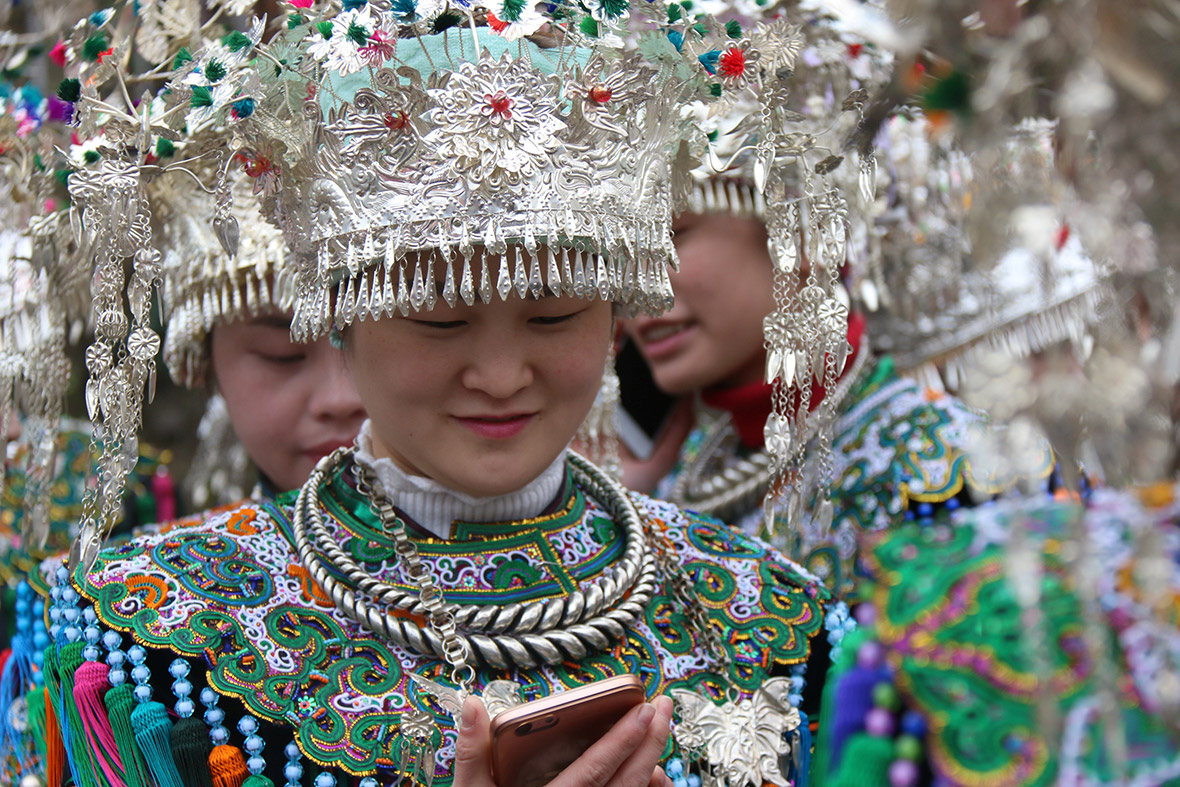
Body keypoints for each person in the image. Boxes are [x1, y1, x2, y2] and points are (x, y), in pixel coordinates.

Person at [37, 3, 835, 786]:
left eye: (553, 313)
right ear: (340, 319)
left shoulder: (769, 612)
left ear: (616, 314)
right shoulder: (152, 630)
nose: (499, 375)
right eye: (438, 318)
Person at [153, 166, 367, 502]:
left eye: (371, 349)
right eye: (282, 354)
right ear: (208, 366)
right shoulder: (141, 555)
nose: (339, 400)